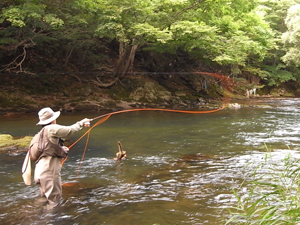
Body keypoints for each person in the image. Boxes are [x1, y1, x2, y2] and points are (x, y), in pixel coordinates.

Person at [34, 107, 90, 209]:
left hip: (39, 173)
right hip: (49, 173)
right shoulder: (50, 128)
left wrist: (60, 149)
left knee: (43, 199)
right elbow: (69, 130)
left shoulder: (40, 134)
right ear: (53, 119)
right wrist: (81, 123)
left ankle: (34, 217)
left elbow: (46, 150)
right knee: (54, 203)